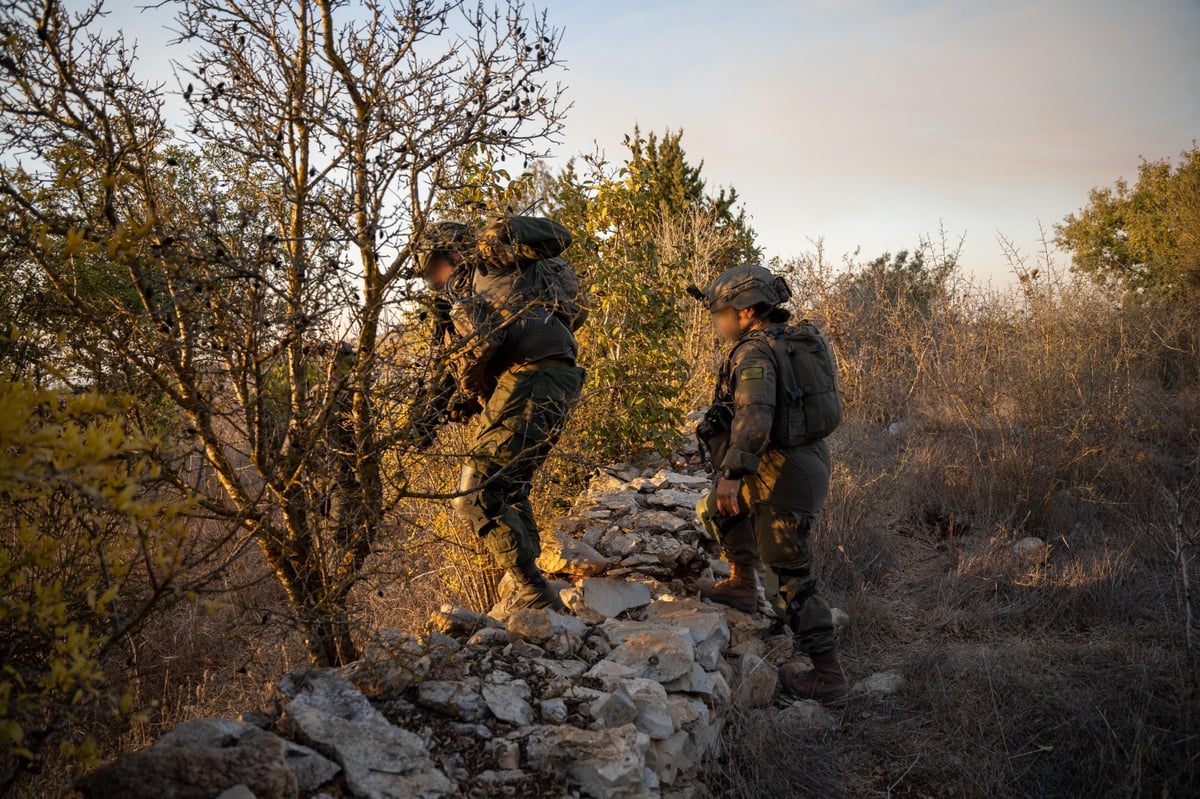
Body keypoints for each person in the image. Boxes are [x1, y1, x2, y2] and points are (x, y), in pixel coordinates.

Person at [690, 264, 849, 701]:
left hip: (782, 470)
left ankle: (827, 673)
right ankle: (742, 583)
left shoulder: (755, 353)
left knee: (789, 574)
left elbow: (755, 415)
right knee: (717, 510)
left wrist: (734, 473)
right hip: (795, 459)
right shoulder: (791, 340)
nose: (717, 320)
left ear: (746, 311)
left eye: (721, 311)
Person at [430, 217, 585, 613]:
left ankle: (534, 592)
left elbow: (558, 236)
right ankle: (535, 586)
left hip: (535, 380)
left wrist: (499, 232)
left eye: (433, 270)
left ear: (451, 253)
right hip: (542, 380)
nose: (433, 282)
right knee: (509, 486)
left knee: (475, 492)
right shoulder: (479, 292)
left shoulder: (493, 262)